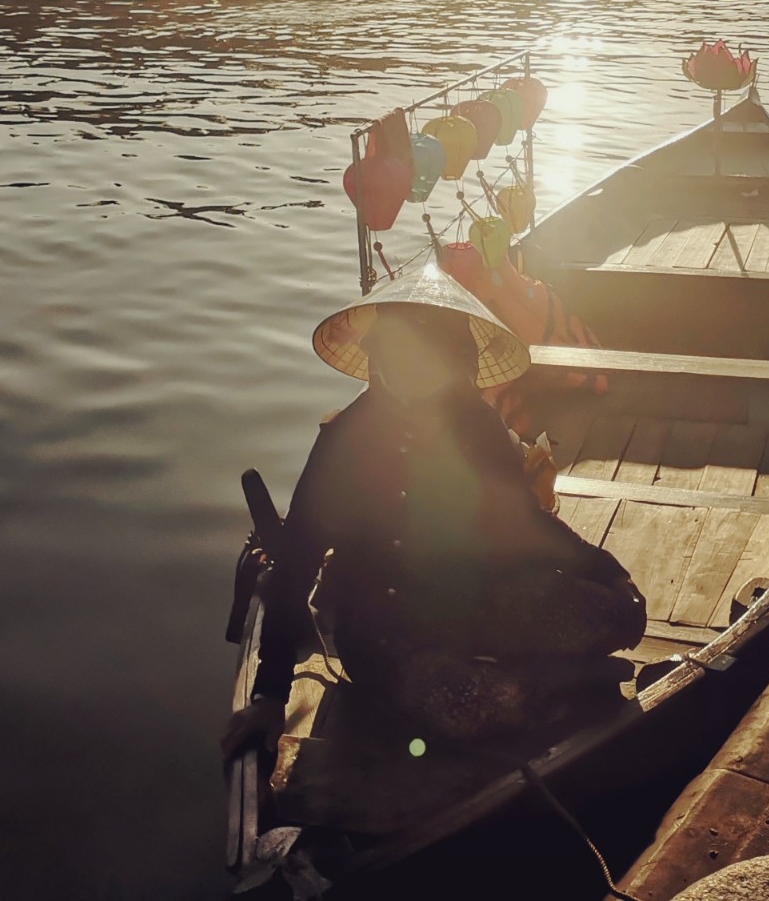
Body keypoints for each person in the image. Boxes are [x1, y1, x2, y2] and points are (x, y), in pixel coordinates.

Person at [222, 265, 645, 760]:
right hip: (387, 630)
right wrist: (269, 698)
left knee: (618, 618)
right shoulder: (346, 444)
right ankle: (547, 685)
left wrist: (609, 572)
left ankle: (541, 679)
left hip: (478, 599)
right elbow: (296, 564)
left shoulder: (473, 423)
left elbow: (524, 524)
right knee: (466, 704)